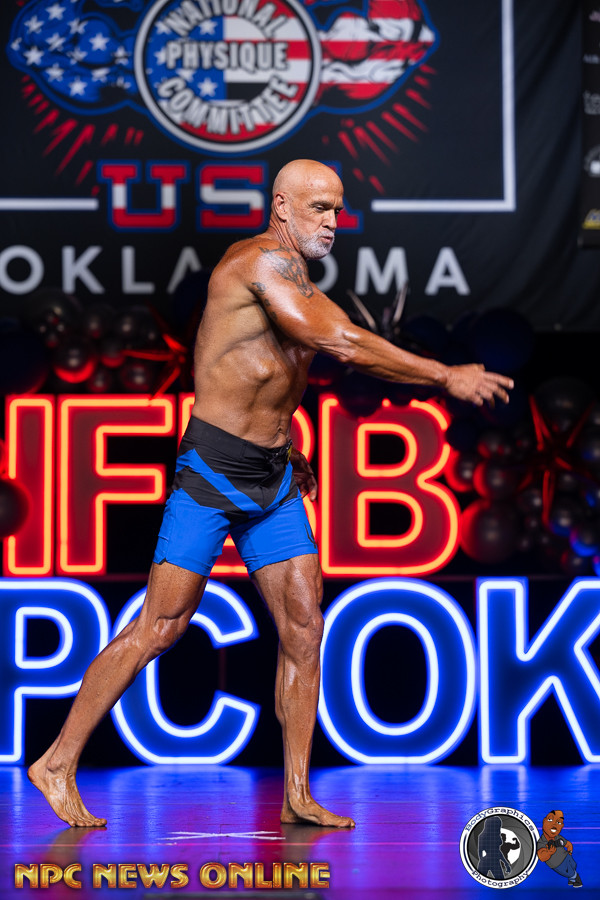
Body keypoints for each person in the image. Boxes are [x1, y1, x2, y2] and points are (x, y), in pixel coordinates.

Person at [28, 159, 513, 829]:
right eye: (319, 208)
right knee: (160, 627)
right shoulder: (256, 264)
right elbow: (340, 341)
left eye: (337, 209)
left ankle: (297, 792)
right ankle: (56, 762)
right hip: (213, 472)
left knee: (305, 628)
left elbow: (268, 379)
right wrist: (444, 375)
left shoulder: (300, 280)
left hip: (275, 477)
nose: (332, 222)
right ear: (280, 206)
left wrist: (288, 451)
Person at [537, 810, 583, 888]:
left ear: (562, 826)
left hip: (566, 856)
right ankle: (576, 878)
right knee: (569, 873)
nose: (554, 824)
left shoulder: (558, 837)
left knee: (573, 865)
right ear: (544, 821)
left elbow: (568, 844)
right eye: (550, 819)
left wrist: (570, 852)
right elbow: (541, 857)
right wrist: (549, 853)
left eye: (558, 822)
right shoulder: (542, 842)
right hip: (556, 864)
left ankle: (571, 880)